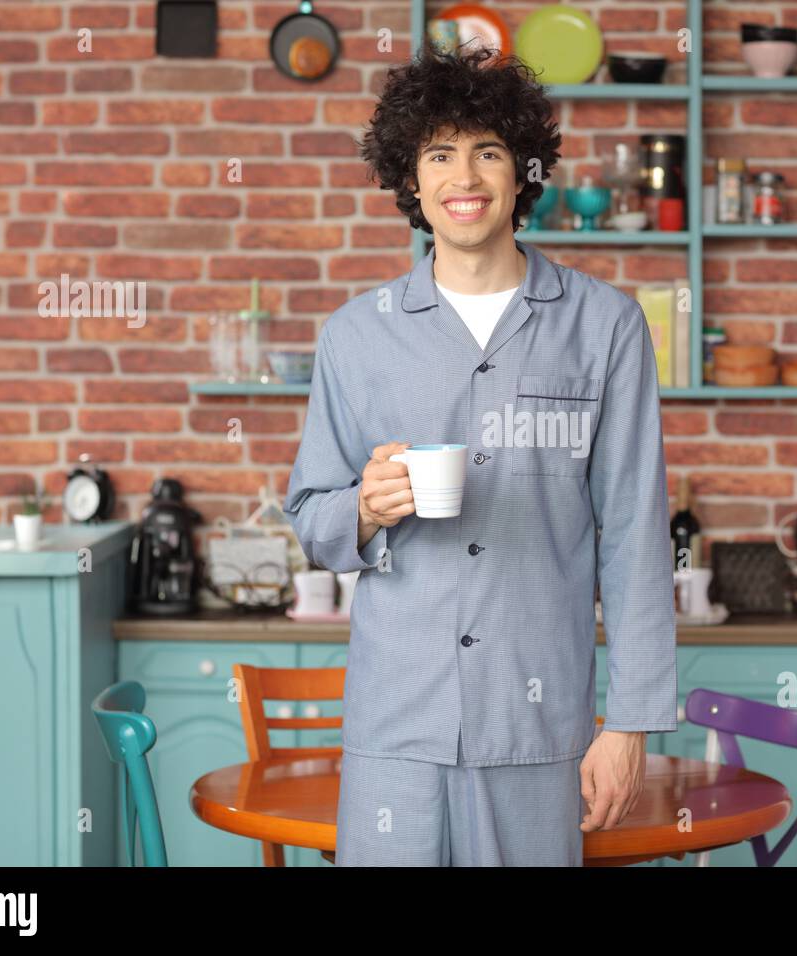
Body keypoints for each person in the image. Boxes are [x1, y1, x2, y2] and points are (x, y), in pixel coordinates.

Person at [284, 46, 676, 866]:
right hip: (398, 724)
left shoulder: (605, 327)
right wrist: (363, 506)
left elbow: (636, 532)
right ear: (411, 181)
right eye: (439, 154)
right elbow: (311, 518)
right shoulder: (358, 334)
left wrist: (630, 722)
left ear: (522, 173)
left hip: (538, 727)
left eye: (488, 151)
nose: (464, 176)